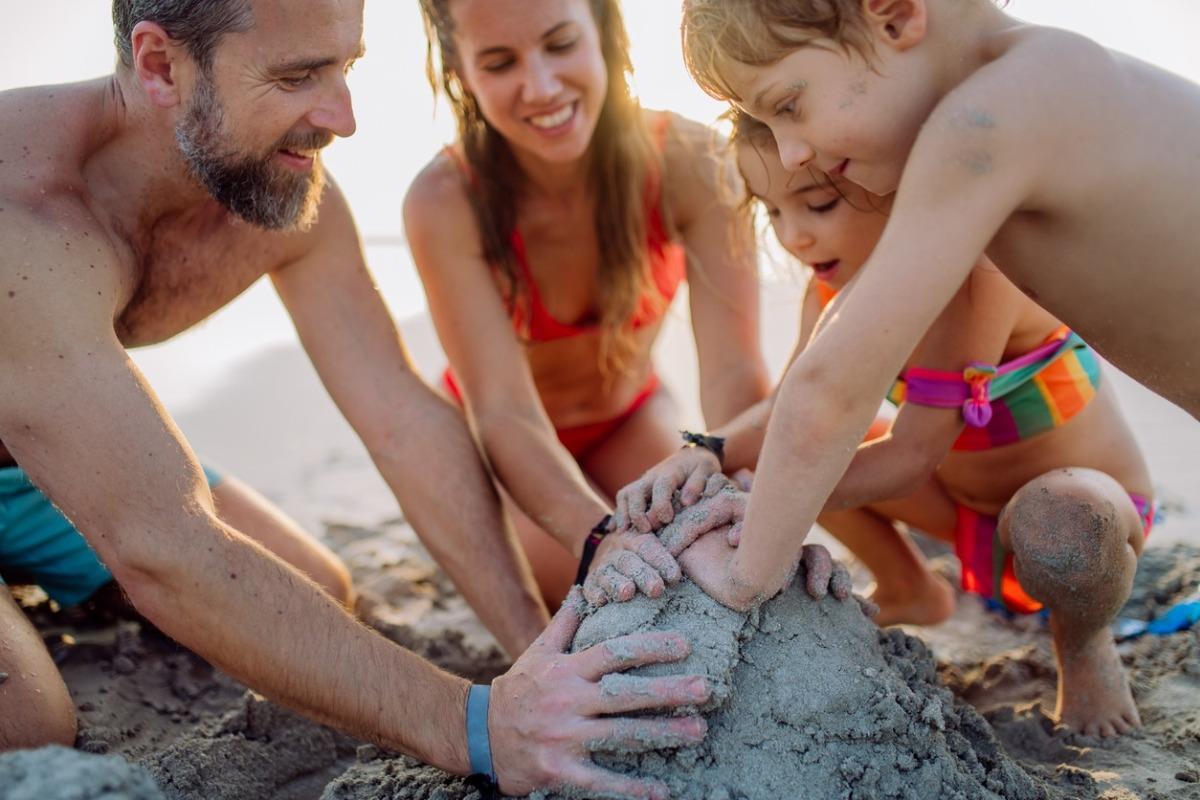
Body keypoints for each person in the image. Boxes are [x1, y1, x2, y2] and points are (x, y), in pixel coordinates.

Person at [0, 2, 713, 796]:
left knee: (319, 587)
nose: (343, 119)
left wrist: (538, 651)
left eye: (346, 67)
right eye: (298, 77)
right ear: (162, 66)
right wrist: (477, 726)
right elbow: (163, 545)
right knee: (30, 723)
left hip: (35, 449)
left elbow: (403, 420)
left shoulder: (275, 186)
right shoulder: (20, 215)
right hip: (66, 442)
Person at [612, 111, 1155, 736]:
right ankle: (910, 588)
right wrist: (708, 450)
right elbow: (790, 408)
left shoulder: (979, 270)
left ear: (896, 182)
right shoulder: (833, 292)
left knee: (1057, 520)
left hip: (1082, 520)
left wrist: (766, 499)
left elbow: (911, 454)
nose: (795, 238)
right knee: (789, 448)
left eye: (817, 205)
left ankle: (1083, 645)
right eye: (773, 213)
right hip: (964, 518)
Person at [405, 0, 772, 614]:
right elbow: (504, 414)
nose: (541, 87)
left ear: (603, 31)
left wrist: (743, 495)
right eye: (499, 63)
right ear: (461, 72)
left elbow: (735, 374)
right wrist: (602, 536)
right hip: (499, 452)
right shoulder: (444, 201)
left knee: (708, 552)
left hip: (625, 417)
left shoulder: (689, 160)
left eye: (560, 44)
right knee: (610, 597)